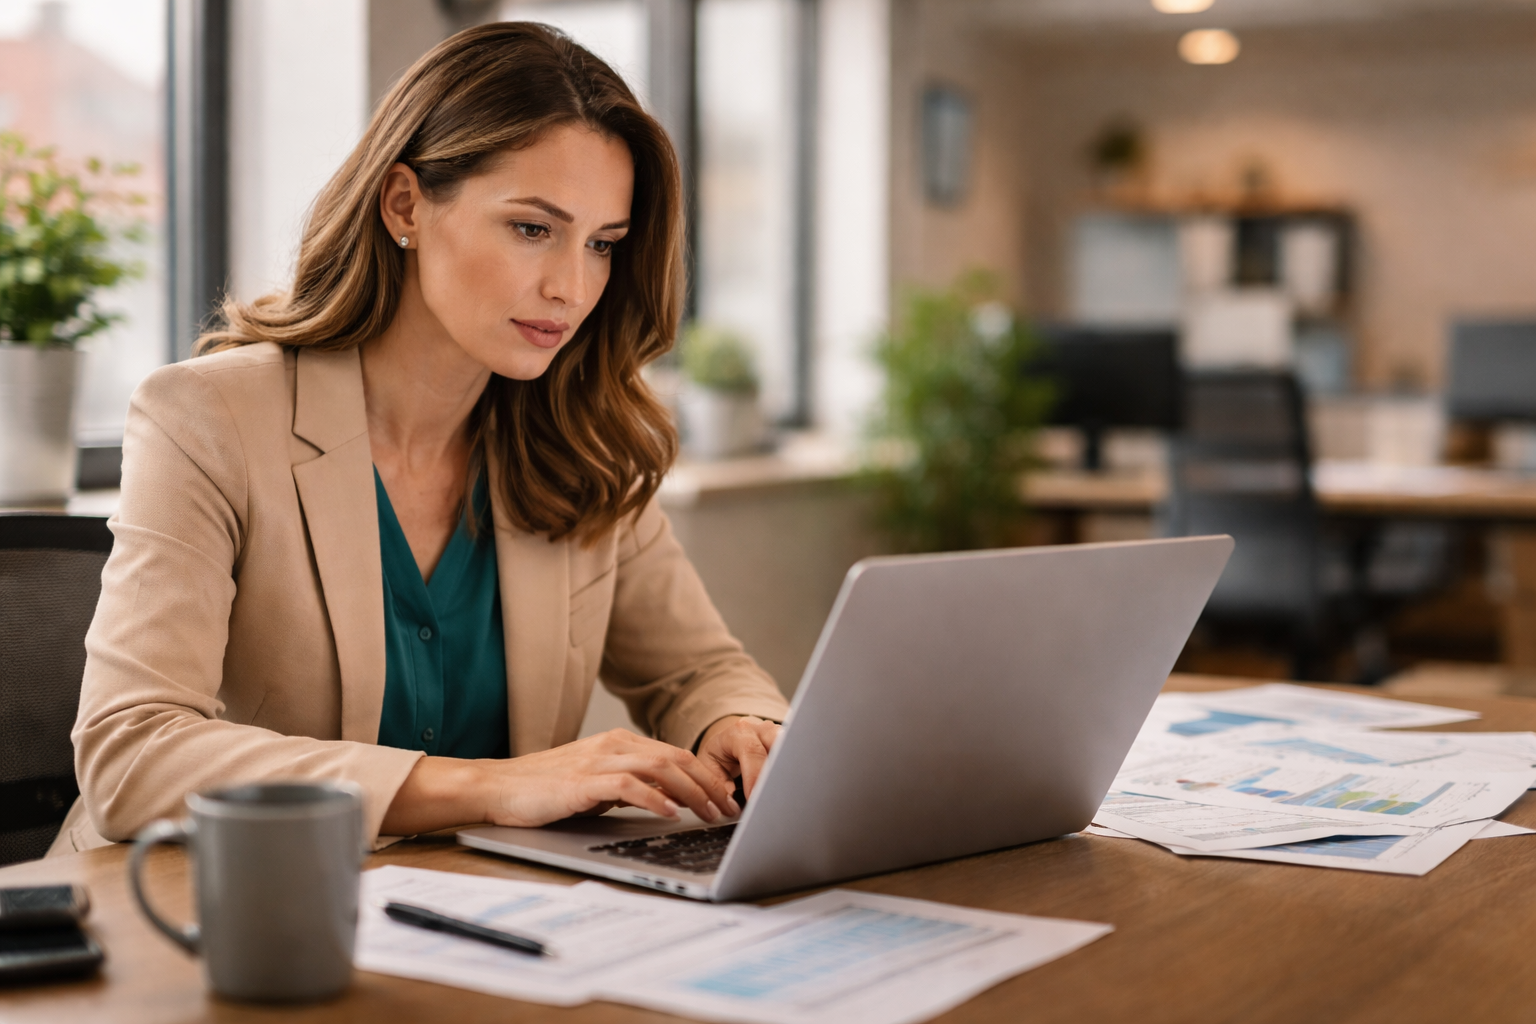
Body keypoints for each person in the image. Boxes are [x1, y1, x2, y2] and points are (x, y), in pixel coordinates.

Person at [50, 22, 789, 855]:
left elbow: (694, 670)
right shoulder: (207, 419)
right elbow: (131, 753)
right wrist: (492, 786)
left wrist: (742, 724)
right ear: (405, 205)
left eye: (602, 245)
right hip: (217, 915)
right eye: (532, 229)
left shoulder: (580, 440)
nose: (571, 287)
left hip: (480, 927)